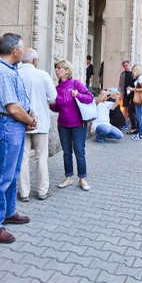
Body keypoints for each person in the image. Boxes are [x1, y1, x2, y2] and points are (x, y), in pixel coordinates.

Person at [0, 33, 37, 244]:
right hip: (7, 125)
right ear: (15, 51)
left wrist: (30, 114)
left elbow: (19, 103)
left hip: (14, 124)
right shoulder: (1, 72)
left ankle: (8, 211)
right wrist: (29, 121)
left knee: (13, 173)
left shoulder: (9, 70)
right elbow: (13, 107)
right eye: (22, 48)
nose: (23, 51)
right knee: (3, 176)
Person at [17, 48, 57, 201]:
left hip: (21, 121)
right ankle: (42, 190)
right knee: (41, 158)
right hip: (41, 122)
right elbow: (53, 96)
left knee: (23, 158)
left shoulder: (17, 74)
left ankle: (24, 192)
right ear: (34, 61)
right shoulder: (42, 75)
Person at [51, 59, 94, 190]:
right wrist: (51, 104)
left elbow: (90, 98)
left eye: (59, 68)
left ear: (67, 71)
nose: (57, 70)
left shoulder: (76, 84)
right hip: (63, 125)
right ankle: (68, 177)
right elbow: (57, 108)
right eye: (56, 68)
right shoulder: (56, 88)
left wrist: (78, 95)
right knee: (66, 152)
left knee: (79, 151)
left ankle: (82, 178)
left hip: (78, 125)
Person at [129, 65, 142, 140]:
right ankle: (140, 134)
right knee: (140, 118)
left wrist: (133, 89)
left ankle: (141, 135)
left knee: (139, 118)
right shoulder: (141, 77)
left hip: (139, 100)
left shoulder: (140, 78)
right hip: (140, 99)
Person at [118, 61, 137, 132]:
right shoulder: (122, 74)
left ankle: (134, 124)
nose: (125, 67)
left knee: (132, 109)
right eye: (124, 66)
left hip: (133, 93)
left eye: (126, 65)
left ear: (130, 65)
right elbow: (120, 84)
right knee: (124, 108)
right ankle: (124, 123)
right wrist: (120, 92)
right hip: (125, 93)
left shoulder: (134, 73)